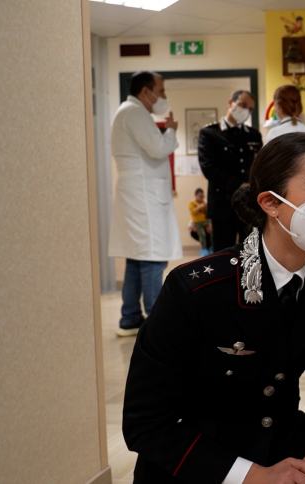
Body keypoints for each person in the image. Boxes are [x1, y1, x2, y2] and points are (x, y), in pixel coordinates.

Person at [123, 132, 305, 483]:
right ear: (270, 203)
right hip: (206, 458)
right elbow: (146, 422)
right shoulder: (198, 288)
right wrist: (252, 476)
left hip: (281, 439)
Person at [109, 70, 182, 337]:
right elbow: (158, 149)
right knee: (151, 257)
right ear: (145, 91)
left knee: (137, 258)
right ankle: (155, 317)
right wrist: (171, 130)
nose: (163, 97)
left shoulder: (128, 111)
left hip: (139, 195)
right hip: (143, 197)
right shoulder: (134, 113)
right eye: (161, 91)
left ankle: (130, 318)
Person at [198, 89, 263, 251]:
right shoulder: (210, 133)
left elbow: (260, 165)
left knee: (250, 253)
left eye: (250, 108)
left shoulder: (253, 135)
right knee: (222, 253)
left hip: (248, 206)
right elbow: (209, 169)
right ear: (230, 103)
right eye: (242, 105)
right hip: (222, 204)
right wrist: (239, 185)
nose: (245, 110)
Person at [189, 187, 211, 256]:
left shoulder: (204, 203)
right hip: (197, 223)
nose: (201, 198)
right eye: (200, 196)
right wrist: (201, 206)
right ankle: (204, 249)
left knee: (212, 232)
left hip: (206, 222)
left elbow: (208, 214)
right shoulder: (192, 203)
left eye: (203, 196)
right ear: (196, 196)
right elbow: (193, 211)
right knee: (202, 235)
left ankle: (211, 247)